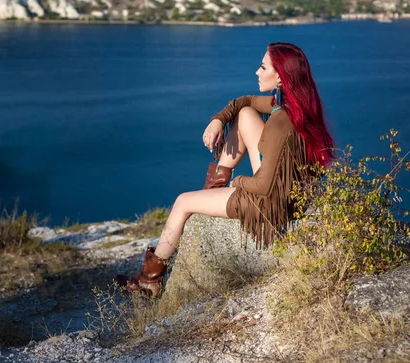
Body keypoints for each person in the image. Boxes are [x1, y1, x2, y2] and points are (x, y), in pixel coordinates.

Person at [116, 42, 335, 296]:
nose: (256, 71)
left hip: (269, 203)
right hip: (287, 192)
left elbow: (263, 186)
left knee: (182, 202)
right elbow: (243, 102)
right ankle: (213, 191)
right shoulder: (292, 106)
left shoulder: (279, 124)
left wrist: (239, 181)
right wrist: (218, 120)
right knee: (244, 114)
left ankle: (148, 281)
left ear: (280, 77)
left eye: (263, 67)